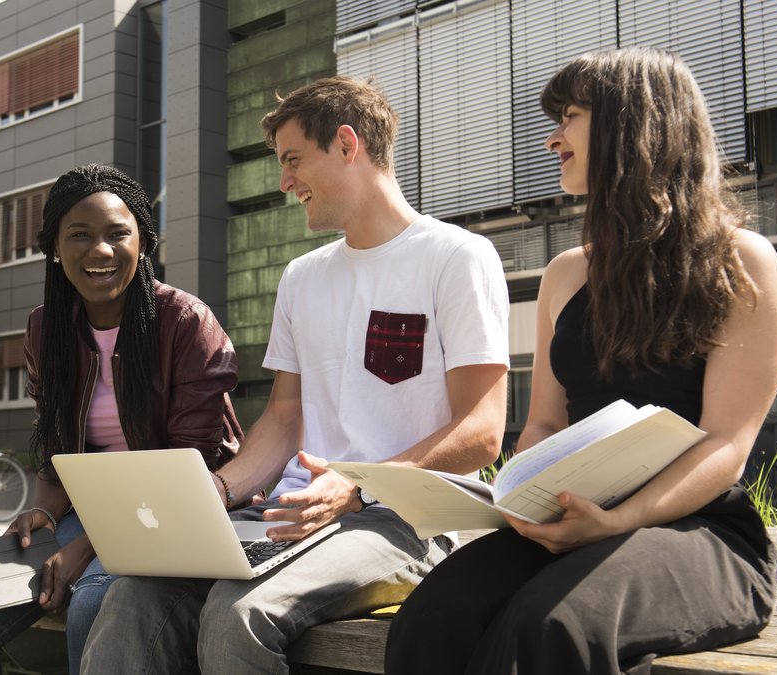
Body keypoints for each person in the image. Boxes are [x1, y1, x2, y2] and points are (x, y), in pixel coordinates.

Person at [79, 76, 511, 674]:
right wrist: (219, 491)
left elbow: (483, 432)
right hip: (290, 517)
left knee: (239, 614)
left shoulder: (456, 257)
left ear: (345, 143)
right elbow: (284, 418)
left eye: (292, 161)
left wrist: (360, 486)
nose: (284, 183)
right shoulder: (303, 277)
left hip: (406, 523)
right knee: (136, 593)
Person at [384, 47, 777, 675]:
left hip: (697, 530)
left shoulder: (742, 261)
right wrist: (524, 489)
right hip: (570, 521)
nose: (553, 140)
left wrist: (619, 521)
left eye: (569, 116)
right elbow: (546, 422)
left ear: (632, 125)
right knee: (433, 617)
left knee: (549, 627)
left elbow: (725, 444)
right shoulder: (566, 274)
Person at [0, 164, 244, 675]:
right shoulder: (45, 327)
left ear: (142, 242)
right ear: (55, 247)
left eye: (117, 234)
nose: (100, 251)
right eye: (79, 235)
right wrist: (46, 516)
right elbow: (58, 449)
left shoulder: (186, 322)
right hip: (93, 516)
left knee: (91, 607)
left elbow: (191, 468)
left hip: (179, 514)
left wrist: (84, 545)